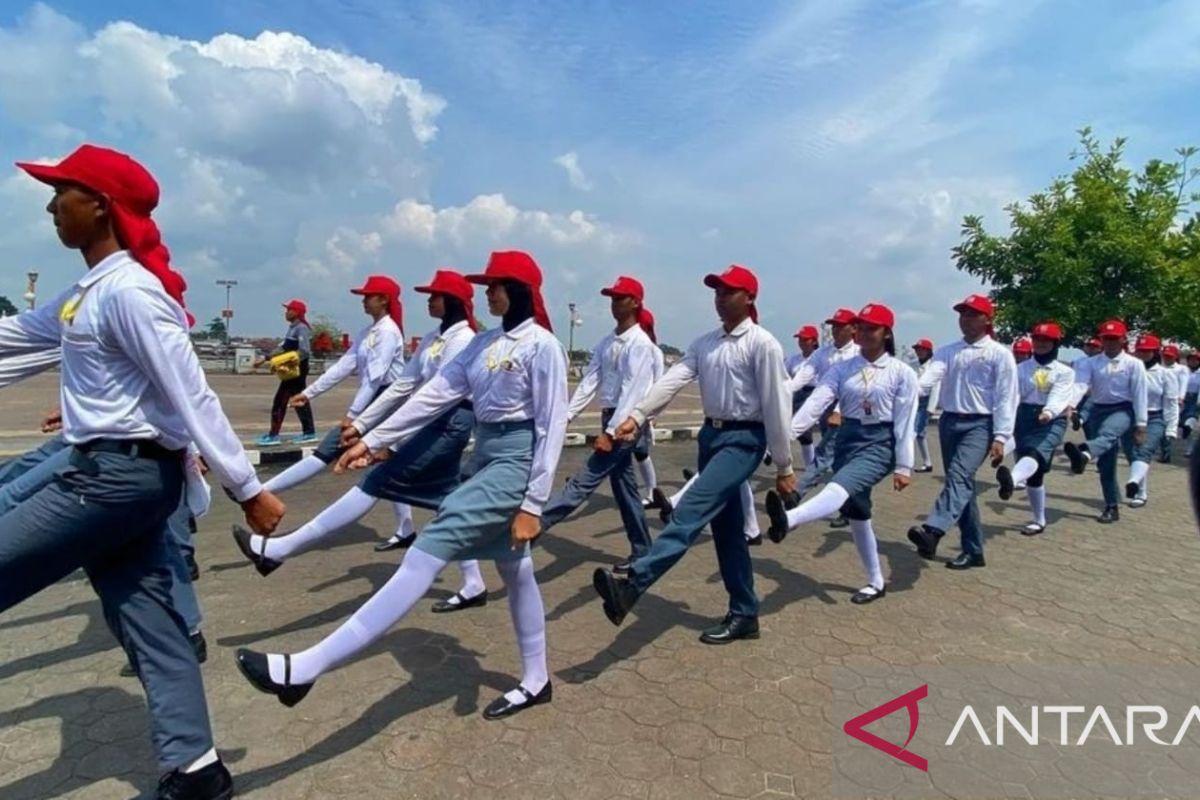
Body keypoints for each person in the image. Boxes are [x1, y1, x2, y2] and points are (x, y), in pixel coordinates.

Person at [0, 143, 285, 799]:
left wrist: (248, 487)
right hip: (117, 477)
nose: (50, 205)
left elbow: (193, 394)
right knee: (152, 623)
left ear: (98, 206)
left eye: (62, 192)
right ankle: (196, 771)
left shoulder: (133, 293)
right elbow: (16, 340)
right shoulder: (89, 292)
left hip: (113, 479)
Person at [235, 250, 567, 721]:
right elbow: (433, 393)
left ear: (520, 290)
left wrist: (534, 502)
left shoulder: (543, 346)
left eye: (495, 285)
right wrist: (374, 440)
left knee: (424, 552)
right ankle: (537, 680)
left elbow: (552, 425)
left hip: (515, 461)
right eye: (486, 285)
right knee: (516, 569)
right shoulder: (483, 343)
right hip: (485, 452)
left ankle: (306, 667)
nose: (487, 292)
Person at [234, 269, 492, 612]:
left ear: (453, 301)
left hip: (447, 421)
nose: (428, 300)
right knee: (449, 502)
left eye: (434, 295)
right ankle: (474, 582)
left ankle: (279, 550)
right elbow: (404, 386)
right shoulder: (432, 338)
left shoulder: (463, 340)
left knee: (374, 481)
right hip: (427, 418)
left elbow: (434, 395)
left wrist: (387, 439)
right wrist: (363, 424)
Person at [592, 264, 795, 645]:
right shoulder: (705, 343)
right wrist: (637, 415)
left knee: (690, 511)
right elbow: (673, 379)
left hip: (744, 441)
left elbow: (776, 405)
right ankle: (745, 613)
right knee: (728, 531)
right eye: (716, 291)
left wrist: (784, 464)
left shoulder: (763, 344)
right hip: (711, 438)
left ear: (749, 298)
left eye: (728, 291)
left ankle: (633, 584)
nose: (720, 298)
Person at [764, 303, 917, 604]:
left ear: (886, 333)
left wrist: (904, 465)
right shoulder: (842, 369)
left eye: (872, 328)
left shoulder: (902, 373)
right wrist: (785, 437)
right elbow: (815, 403)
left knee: (840, 485)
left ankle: (789, 518)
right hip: (848, 438)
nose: (864, 333)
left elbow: (906, 421)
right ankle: (875, 581)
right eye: (860, 327)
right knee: (858, 514)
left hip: (879, 443)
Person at [262, 276, 415, 542]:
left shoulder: (389, 332)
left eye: (369, 296)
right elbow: (343, 366)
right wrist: (308, 393)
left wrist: (354, 416)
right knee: (389, 467)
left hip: (386, 402)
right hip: (375, 401)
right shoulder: (369, 332)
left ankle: (261, 491)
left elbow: (375, 378)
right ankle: (406, 529)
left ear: (384, 300)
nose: (364, 301)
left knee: (329, 451)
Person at [539, 276, 658, 572]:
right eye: (612, 298)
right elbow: (590, 381)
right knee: (625, 488)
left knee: (585, 480)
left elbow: (634, 391)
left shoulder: (640, 344)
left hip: (625, 423)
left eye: (620, 298)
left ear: (635, 302)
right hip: (611, 415)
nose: (614, 303)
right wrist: (565, 415)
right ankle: (644, 550)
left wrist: (610, 432)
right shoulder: (607, 342)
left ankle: (535, 525)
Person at [906, 294, 1018, 569]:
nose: (965, 320)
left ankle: (933, 530)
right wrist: (907, 389)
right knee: (961, 485)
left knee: (958, 475)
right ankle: (974, 550)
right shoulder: (947, 351)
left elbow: (1006, 397)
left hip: (980, 424)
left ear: (987, 319)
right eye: (962, 314)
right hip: (950, 422)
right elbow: (927, 380)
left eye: (971, 314)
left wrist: (1001, 436)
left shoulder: (1000, 354)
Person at [992, 322, 1074, 535]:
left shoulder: (1064, 372)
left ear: (1055, 344)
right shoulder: (1020, 369)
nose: (1041, 344)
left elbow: (1060, 395)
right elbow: (1012, 396)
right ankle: (1039, 520)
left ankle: (1012, 479)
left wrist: (1048, 412)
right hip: (1024, 417)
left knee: (1034, 453)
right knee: (1035, 475)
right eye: (1037, 339)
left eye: (1046, 340)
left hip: (1051, 419)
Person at [1063, 320, 1148, 523]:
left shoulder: (1133, 364)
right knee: (1106, 463)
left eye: (1113, 338)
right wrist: (1072, 405)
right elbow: (1081, 384)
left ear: (1123, 339)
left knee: (1109, 434)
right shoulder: (1091, 363)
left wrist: (1141, 424)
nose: (1109, 343)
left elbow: (1139, 394)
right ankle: (1111, 505)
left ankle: (1084, 452)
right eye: (1106, 339)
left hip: (1123, 409)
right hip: (1098, 410)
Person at [786, 309, 860, 507]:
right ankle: (849, 506)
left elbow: (853, 389)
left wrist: (838, 411)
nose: (835, 330)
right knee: (840, 460)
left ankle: (795, 495)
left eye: (840, 326)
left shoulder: (858, 354)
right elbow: (804, 375)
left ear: (853, 328)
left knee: (824, 453)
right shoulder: (823, 353)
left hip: (847, 414)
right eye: (833, 326)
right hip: (825, 411)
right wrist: (785, 391)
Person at [1122, 334, 1179, 508]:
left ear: (1155, 352)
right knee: (1133, 455)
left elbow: (1171, 403)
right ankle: (1140, 491)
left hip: (1155, 418)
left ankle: (1133, 483)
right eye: (1140, 351)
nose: (1143, 354)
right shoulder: (1129, 370)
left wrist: (1171, 428)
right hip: (1130, 417)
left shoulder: (1165, 374)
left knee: (1144, 452)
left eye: (1147, 351)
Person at [254, 299, 316, 446]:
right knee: (299, 400)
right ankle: (308, 432)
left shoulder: (301, 328)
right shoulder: (292, 328)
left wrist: (288, 361)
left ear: (297, 312)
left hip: (297, 371)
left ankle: (274, 435)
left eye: (289, 310)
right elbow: (282, 348)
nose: (286, 312)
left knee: (280, 401)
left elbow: (304, 351)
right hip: (291, 370)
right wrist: (265, 358)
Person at [635, 309, 665, 507]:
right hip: (625, 410)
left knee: (641, 452)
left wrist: (653, 412)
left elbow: (659, 383)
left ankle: (652, 491)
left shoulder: (654, 351)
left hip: (641, 411)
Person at [788, 324, 822, 469]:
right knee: (804, 435)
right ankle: (810, 466)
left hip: (818, 393)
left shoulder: (821, 357)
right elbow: (784, 377)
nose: (801, 342)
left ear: (814, 341)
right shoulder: (793, 360)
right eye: (800, 339)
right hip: (798, 394)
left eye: (805, 339)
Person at [912, 337, 940, 473]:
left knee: (915, 431)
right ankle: (927, 462)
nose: (918, 352)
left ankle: (904, 461)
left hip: (925, 402)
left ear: (928, 351)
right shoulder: (912, 364)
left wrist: (931, 408)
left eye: (921, 349)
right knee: (919, 434)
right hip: (913, 401)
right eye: (917, 349)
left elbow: (936, 388)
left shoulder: (933, 366)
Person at [1161, 344, 1189, 461]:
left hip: (1173, 400)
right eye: (1165, 356)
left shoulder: (1181, 369)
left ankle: (1166, 452)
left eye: (1170, 356)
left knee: (1170, 427)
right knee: (1160, 426)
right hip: (1159, 400)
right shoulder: (1159, 368)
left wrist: (1181, 397)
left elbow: (1183, 384)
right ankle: (1164, 451)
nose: (1167, 358)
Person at [1070, 337, 1103, 431]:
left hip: (1093, 392)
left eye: (1094, 347)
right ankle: (1078, 419)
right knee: (1087, 427)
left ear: (1100, 348)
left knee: (1088, 408)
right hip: (1078, 391)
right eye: (1089, 346)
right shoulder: (1077, 361)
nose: (1091, 348)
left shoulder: (1102, 361)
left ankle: (1080, 419)